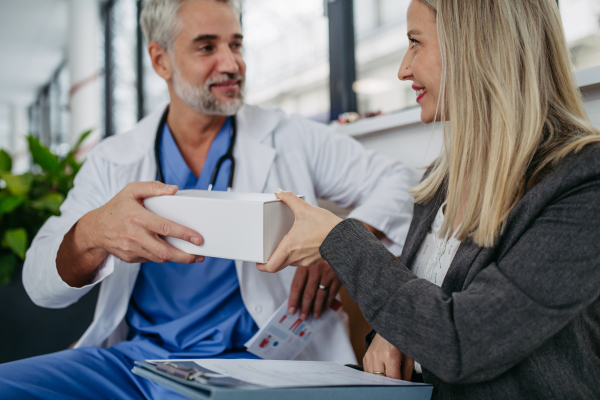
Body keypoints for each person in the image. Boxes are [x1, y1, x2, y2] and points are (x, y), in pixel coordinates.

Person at [0, 0, 415, 398]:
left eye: (236, 44)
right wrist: (92, 233)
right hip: (137, 363)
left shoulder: (289, 135)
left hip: (255, 365)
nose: (232, 63)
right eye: (207, 47)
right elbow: (41, 284)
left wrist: (343, 243)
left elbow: (398, 182)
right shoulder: (115, 158)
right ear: (160, 60)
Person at [257, 0, 600, 398]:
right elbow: (418, 310)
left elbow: (465, 342)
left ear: (475, 44)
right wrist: (392, 334)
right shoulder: (441, 182)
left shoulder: (583, 185)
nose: (404, 69)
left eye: (415, 42)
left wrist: (340, 239)